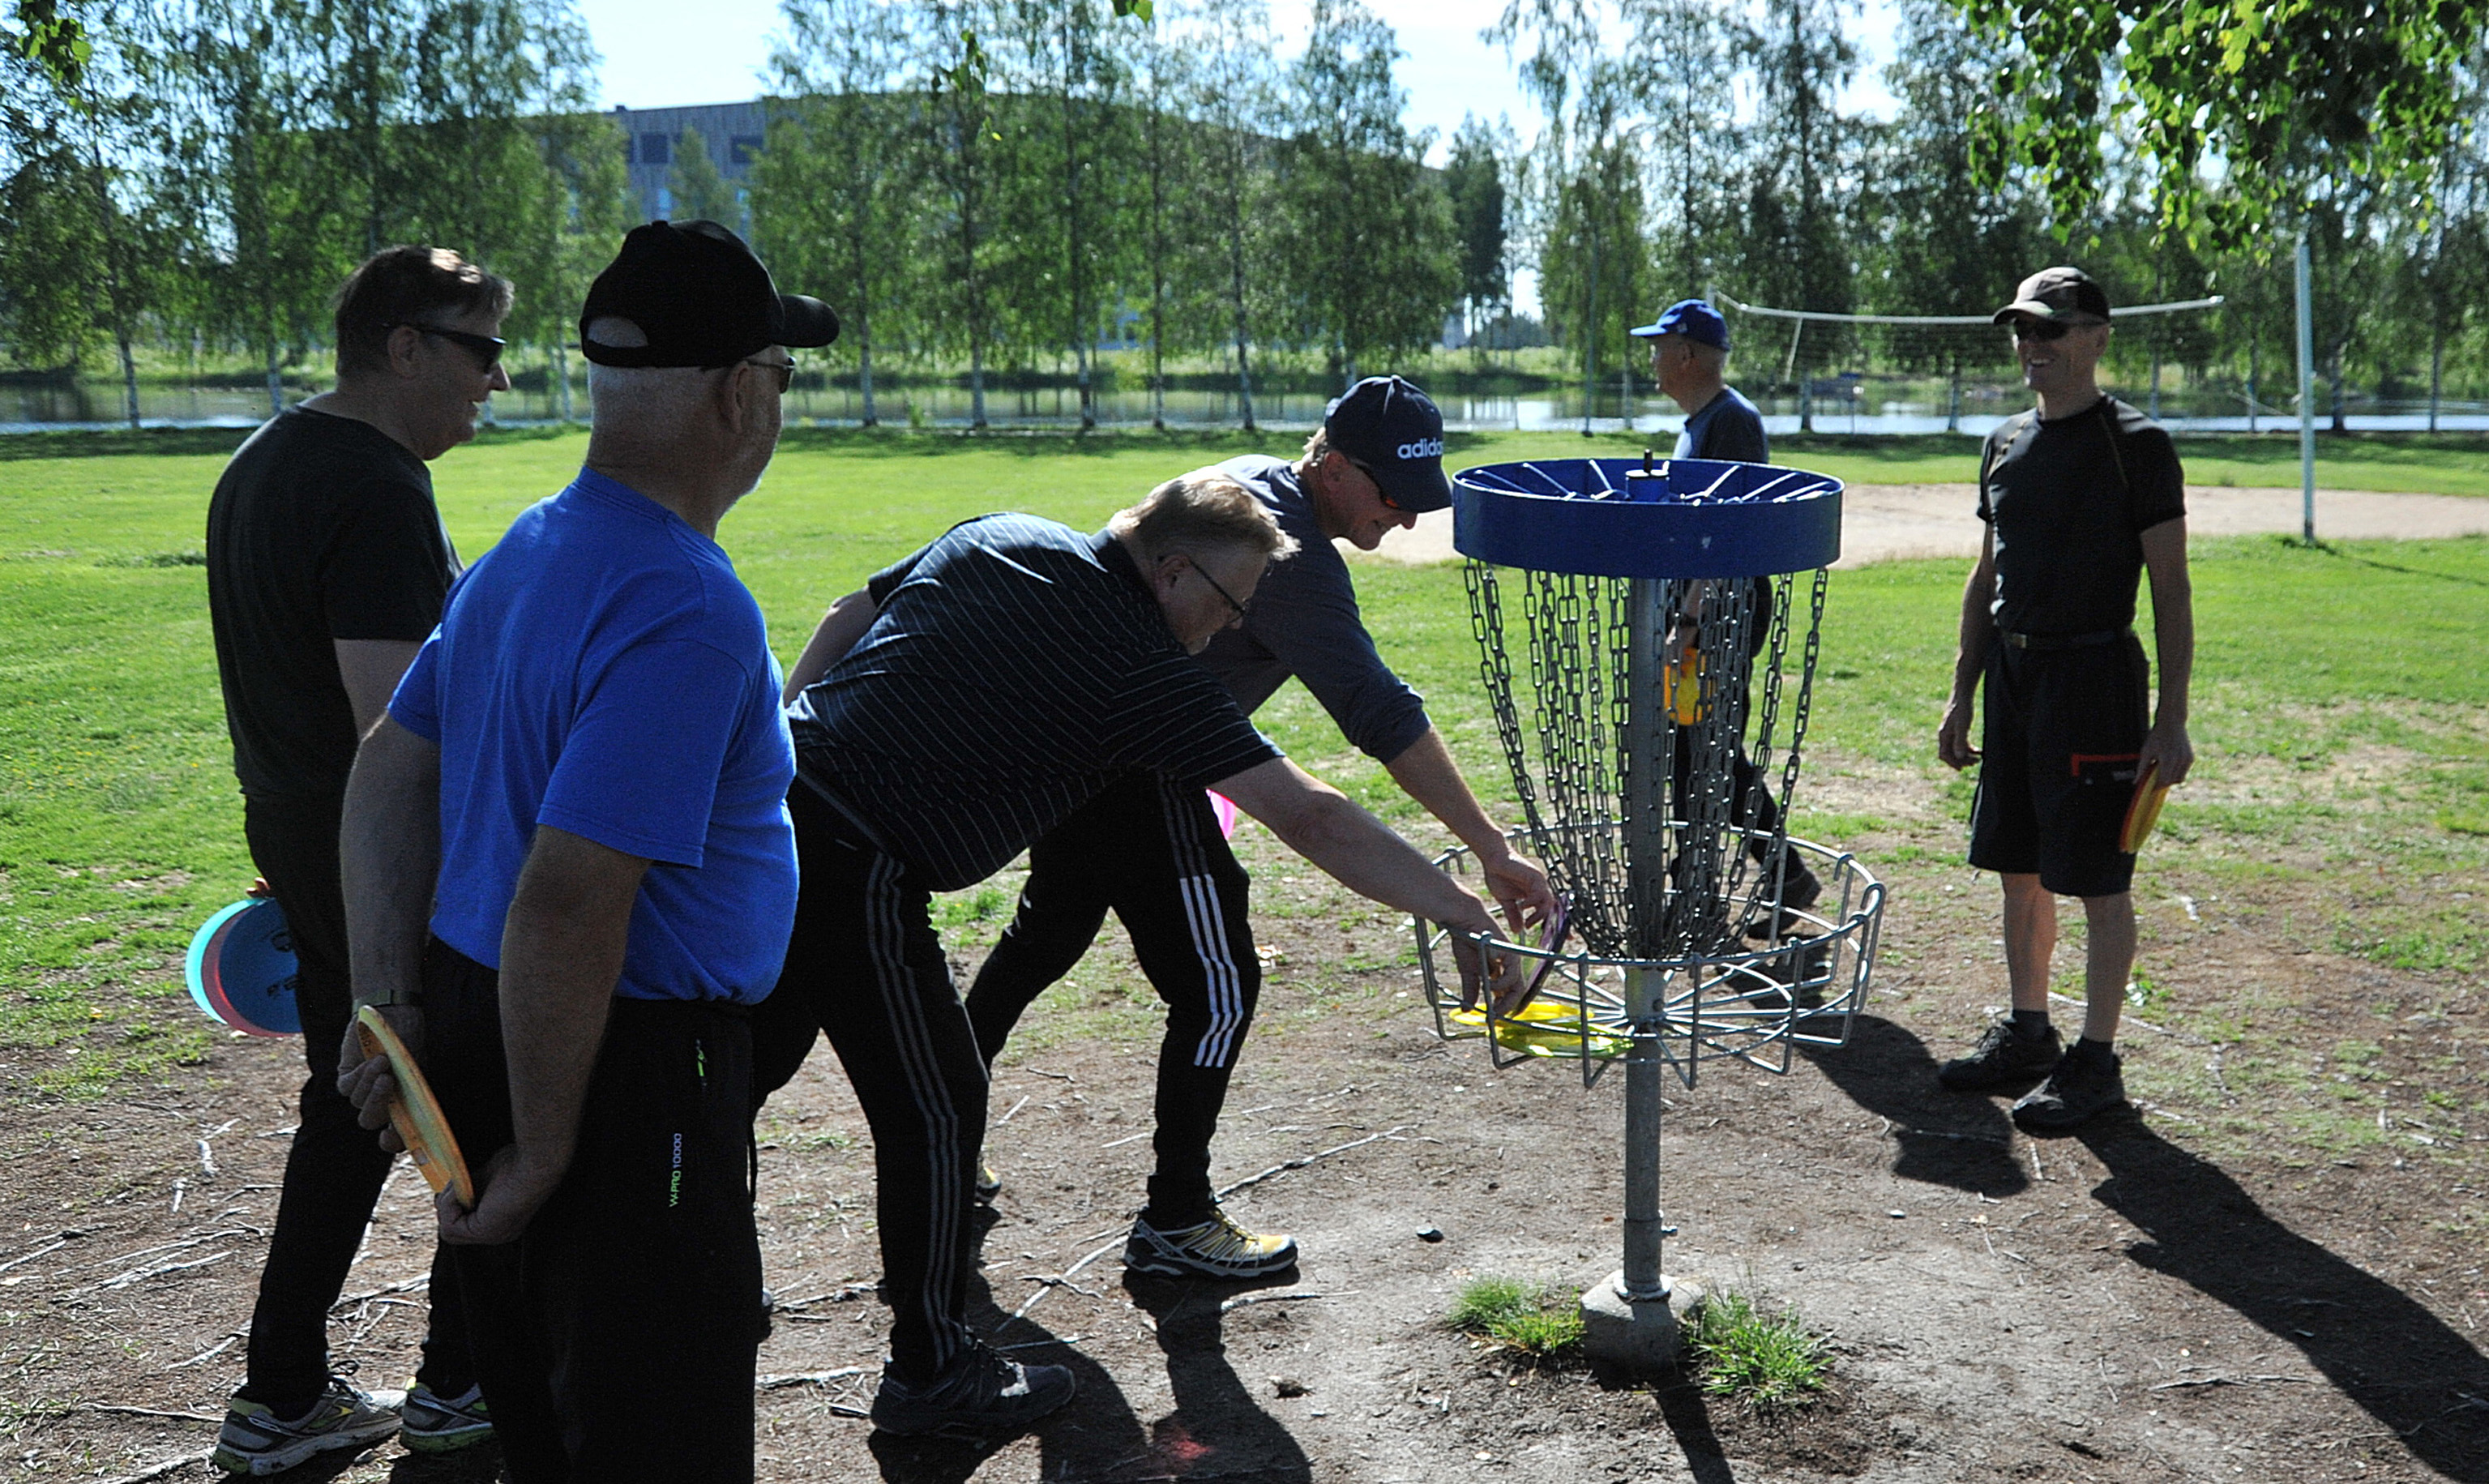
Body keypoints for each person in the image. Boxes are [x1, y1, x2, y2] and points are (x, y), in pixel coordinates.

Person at [754, 471, 1526, 1438]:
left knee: (737, 1074)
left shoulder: (1003, 529)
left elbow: (843, 614)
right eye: (1229, 604)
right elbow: (1312, 816)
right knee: (940, 1107)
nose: (1221, 632)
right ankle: (930, 1371)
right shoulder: (1138, 664)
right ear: (1170, 571)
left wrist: (780, 747)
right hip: (855, 863)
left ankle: (705, 1281)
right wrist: (1459, 905)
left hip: (765, 824)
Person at [335, 219, 836, 1482]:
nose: (777, 403)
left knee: (546, 1416)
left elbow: (392, 763)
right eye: (780, 375)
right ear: (738, 393)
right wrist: (552, 1144)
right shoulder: (687, 599)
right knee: (653, 1432)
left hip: (482, 1020)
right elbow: (566, 899)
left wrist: (388, 997)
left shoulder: (527, 546)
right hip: (620, 1067)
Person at [963, 375, 1555, 1281]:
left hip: (1096, 744)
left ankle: (938, 1125)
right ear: (1330, 465)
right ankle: (1175, 1216)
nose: (1404, 519)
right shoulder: (1290, 550)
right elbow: (1375, 710)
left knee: (1047, 933)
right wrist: (1488, 849)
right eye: (1392, 495)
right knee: (1220, 983)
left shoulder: (1255, 480)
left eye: (1418, 500)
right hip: (1142, 763)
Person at [203, 245, 509, 1476]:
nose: (492, 382)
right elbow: (396, 734)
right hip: (372, 850)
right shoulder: (373, 484)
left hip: (300, 831)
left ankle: (280, 1389)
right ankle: (458, 1379)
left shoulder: (262, 459)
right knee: (466, 1092)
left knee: (347, 1108)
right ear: (404, 345)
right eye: (480, 349)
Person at [1934, 265, 2194, 1132]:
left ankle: (2096, 1061)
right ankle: (2028, 1033)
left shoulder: (2136, 444)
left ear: (2094, 336)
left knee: (2095, 877)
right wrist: (1961, 692)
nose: (2031, 346)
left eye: (2049, 329)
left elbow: (2170, 592)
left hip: (2094, 681)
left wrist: (2169, 720)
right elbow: (1984, 578)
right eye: (2020, 330)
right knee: (2017, 865)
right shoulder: (2003, 443)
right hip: (2014, 677)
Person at [1630, 300, 1820, 922]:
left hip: (1719, 612)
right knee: (1694, 747)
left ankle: (1768, 874)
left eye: (1659, 346)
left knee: (1707, 745)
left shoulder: (1729, 423)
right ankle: (1703, 882)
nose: (1652, 359)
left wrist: (1686, 623)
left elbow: (1726, 535)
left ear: (1686, 353)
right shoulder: (1698, 424)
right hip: (1698, 612)